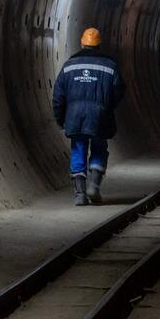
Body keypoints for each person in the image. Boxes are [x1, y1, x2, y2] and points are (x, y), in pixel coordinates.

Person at [53, 27, 126, 206]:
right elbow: (119, 90)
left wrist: (60, 118)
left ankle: (80, 194)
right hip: (100, 116)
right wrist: (107, 107)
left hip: (75, 117)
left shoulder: (69, 66)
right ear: (99, 45)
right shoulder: (110, 66)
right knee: (99, 148)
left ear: (81, 43)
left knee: (78, 149)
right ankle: (94, 186)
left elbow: (58, 97)